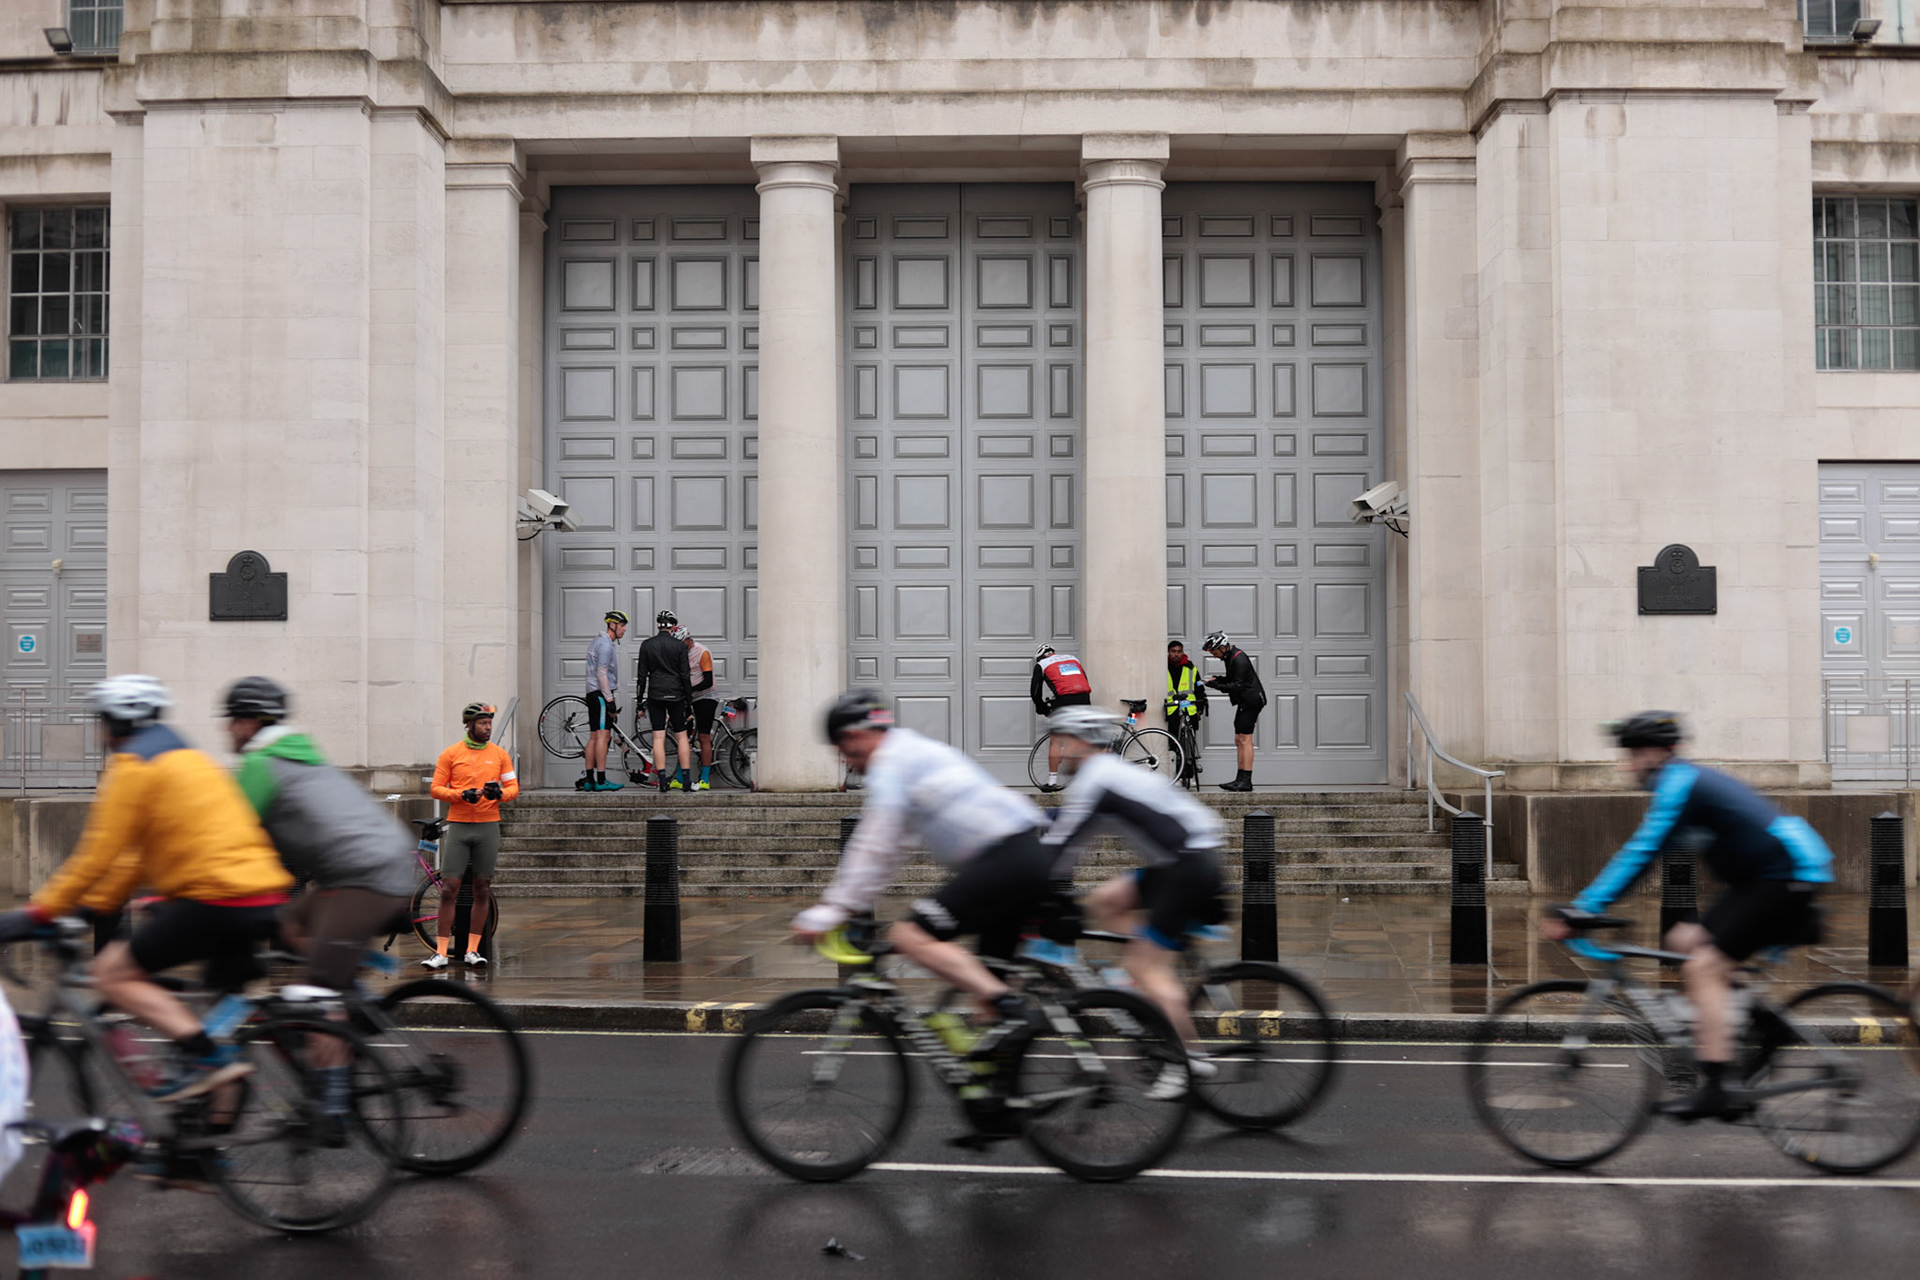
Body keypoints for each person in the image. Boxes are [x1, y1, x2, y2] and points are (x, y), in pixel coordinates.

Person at [0, 675, 294, 1105]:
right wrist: (96, 906)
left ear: (115, 723)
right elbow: (136, 855)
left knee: (111, 974)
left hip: (215, 898)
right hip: (263, 894)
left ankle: (208, 1062)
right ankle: (203, 1145)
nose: (99, 732)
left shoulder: (132, 767)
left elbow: (97, 855)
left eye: (101, 722)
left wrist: (40, 913)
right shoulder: (189, 758)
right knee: (218, 1014)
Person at [1541, 712, 1834, 1121]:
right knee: (1683, 940)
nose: (1628, 763)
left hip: (1787, 874)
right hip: (1765, 877)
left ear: (1662, 753)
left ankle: (1718, 1087)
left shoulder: (1679, 783)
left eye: (1636, 753)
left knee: (1702, 970)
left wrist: (1585, 908)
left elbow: (1643, 851)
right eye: (1627, 754)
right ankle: (1765, 1024)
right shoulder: (1683, 781)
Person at [794, 691, 1052, 1047]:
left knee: (909, 937)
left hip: (1004, 860)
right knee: (986, 996)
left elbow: (876, 840)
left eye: (840, 747)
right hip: (1017, 855)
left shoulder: (891, 763)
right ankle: (996, 1089)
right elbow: (893, 848)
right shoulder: (911, 752)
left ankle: (1013, 1010)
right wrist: (855, 899)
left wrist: (834, 908)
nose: (843, 759)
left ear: (853, 735)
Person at [1040, 706, 1225, 1099]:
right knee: (1105, 901)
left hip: (1188, 866)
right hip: (1181, 858)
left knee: (1147, 968)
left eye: (1063, 743)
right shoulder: (1106, 773)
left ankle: (1187, 1059)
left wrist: (1032, 885)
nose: (1059, 752)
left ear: (1082, 743)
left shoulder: (1096, 779)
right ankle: (1143, 970)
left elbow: (1065, 846)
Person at [223, 677, 416, 993]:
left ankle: (334, 1014)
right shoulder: (302, 753)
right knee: (288, 925)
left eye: (231, 719)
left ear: (248, 723)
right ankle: (349, 989)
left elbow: (228, 838)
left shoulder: (260, 764)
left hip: (365, 877)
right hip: (370, 867)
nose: (227, 729)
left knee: (318, 995)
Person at [425, 702, 519, 968]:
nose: (488, 728)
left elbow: (513, 787)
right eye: (483, 723)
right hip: (460, 825)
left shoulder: (499, 754)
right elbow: (435, 788)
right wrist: (459, 795)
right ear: (469, 725)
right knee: (448, 889)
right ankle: (441, 952)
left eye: (489, 723)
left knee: (482, 888)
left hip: (488, 826)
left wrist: (500, 794)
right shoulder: (451, 754)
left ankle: (473, 950)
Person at [637, 609, 694, 793]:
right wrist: (689, 702)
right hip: (676, 695)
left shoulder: (647, 645)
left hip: (656, 695)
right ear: (673, 626)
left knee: (658, 737)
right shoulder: (679, 646)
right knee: (682, 736)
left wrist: (640, 702)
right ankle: (686, 780)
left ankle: (662, 781)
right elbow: (686, 676)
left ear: (658, 625)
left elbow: (641, 677)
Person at [1202, 631, 1264, 792]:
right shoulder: (1230, 657)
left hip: (1251, 701)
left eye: (1214, 652)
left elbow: (1238, 685)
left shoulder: (1239, 658)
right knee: (1239, 739)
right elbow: (1233, 679)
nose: (1214, 656)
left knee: (1245, 739)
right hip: (1245, 700)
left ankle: (1246, 780)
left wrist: (1217, 686)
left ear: (1222, 647)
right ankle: (1240, 778)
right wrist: (1219, 680)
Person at [1029, 644, 1092, 792]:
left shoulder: (1042, 664)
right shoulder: (1073, 659)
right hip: (1084, 698)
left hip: (1065, 700)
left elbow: (1035, 692)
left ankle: (1052, 782)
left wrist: (1042, 709)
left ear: (1040, 656)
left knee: (1056, 741)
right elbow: (1083, 680)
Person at [581, 610, 629, 792]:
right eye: (622, 626)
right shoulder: (606, 645)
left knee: (594, 736)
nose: (624, 630)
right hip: (600, 695)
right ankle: (601, 780)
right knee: (603, 736)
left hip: (592, 693)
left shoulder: (597, 641)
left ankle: (589, 780)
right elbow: (602, 673)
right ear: (612, 625)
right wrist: (610, 700)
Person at [681, 625, 719, 791]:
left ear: (688, 640)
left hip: (705, 698)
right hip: (689, 699)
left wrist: (690, 690)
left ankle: (704, 779)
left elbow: (708, 681)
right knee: (684, 738)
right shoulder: (680, 653)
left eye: (682, 644)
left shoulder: (701, 652)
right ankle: (679, 777)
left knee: (704, 737)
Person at [1165, 640, 1206, 782]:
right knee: (1172, 742)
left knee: (1189, 744)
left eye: (1179, 651)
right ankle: (1173, 774)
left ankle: (1189, 774)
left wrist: (1200, 708)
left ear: (1182, 652)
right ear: (1168, 652)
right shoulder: (1163, 667)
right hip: (1171, 710)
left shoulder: (1190, 668)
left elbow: (1199, 687)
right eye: (1173, 651)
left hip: (1189, 709)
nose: (1176, 654)